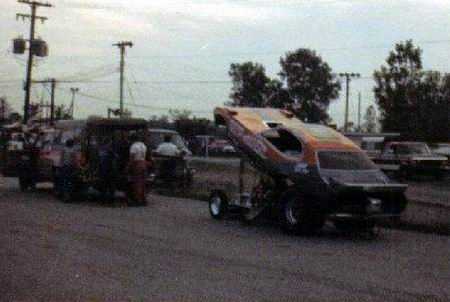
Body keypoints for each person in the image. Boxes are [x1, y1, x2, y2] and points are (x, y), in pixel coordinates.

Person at [127, 133, 150, 206]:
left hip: (137, 164)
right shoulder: (143, 145)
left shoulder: (133, 146)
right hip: (143, 163)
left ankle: (137, 200)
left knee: (137, 183)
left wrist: (128, 167)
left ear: (132, 139)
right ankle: (143, 199)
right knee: (143, 183)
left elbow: (132, 158)